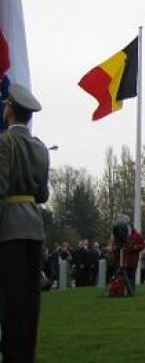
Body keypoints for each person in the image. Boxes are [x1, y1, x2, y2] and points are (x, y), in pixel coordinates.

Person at [0, 84, 51, 362]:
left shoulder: (4, 143)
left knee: (12, 303)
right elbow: (42, 195)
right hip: (34, 229)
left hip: (9, 230)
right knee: (30, 304)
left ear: (9, 110)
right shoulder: (40, 148)